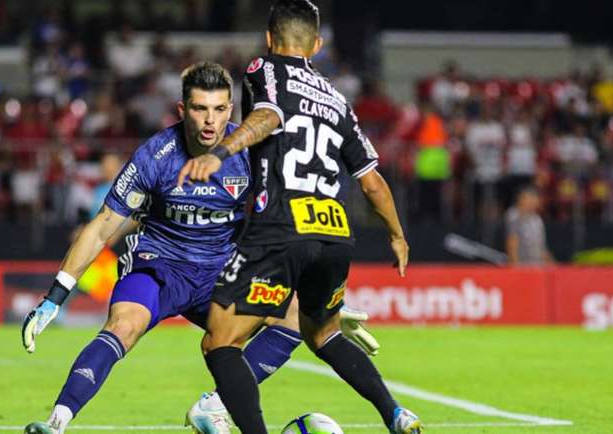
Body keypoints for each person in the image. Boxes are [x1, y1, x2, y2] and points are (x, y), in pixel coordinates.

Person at [21, 61, 377, 434]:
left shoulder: (252, 154)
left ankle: (214, 406)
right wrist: (54, 297)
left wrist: (324, 304)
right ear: (182, 110)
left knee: (295, 316)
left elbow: (286, 226)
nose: (210, 120)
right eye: (200, 109)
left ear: (231, 110)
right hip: (160, 266)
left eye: (220, 109)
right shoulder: (155, 156)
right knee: (124, 324)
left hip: (221, 275)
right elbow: (102, 227)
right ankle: (56, 423)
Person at [176, 1, 422, 433]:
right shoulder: (338, 100)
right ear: (317, 45)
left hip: (281, 225)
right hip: (335, 233)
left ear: (270, 39)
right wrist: (397, 236)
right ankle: (396, 413)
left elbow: (269, 116)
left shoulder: (264, 70)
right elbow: (372, 182)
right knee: (323, 333)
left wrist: (222, 152)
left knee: (219, 340)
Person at [505, 186, 555, 266]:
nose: (534, 202)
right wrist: (515, 266)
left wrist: (553, 265)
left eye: (535, 199)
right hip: (523, 267)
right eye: (530, 199)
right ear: (521, 199)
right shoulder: (514, 216)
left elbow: (541, 248)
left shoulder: (537, 220)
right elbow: (512, 243)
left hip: (537, 267)